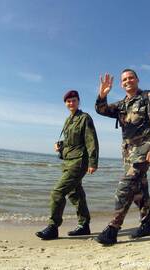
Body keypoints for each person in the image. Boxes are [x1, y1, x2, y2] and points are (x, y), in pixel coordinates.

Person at [94, 69, 150, 245]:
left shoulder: (149, 97)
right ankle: (147, 224)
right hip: (128, 154)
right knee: (139, 190)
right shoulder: (122, 104)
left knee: (125, 187)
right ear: (121, 84)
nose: (127, 81)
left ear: (137, 79)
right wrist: (102, 95)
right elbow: (101, 110)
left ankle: (113, 228)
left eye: (130, 78)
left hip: (145, 151)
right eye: (124, 79)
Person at [36, 90, 99, 240]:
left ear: (78, 102)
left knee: (57, 192)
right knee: (75, 194)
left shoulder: (84, 118)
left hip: (79, 162)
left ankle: (53, 227)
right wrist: (60, 146)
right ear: (65, 103)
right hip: (67, 161)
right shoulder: (68, 120)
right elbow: (71, 142)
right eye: (68, 101)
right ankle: (84, 225)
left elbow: (91, 141)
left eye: (74, 100)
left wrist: (93, 162)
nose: (71, 103)